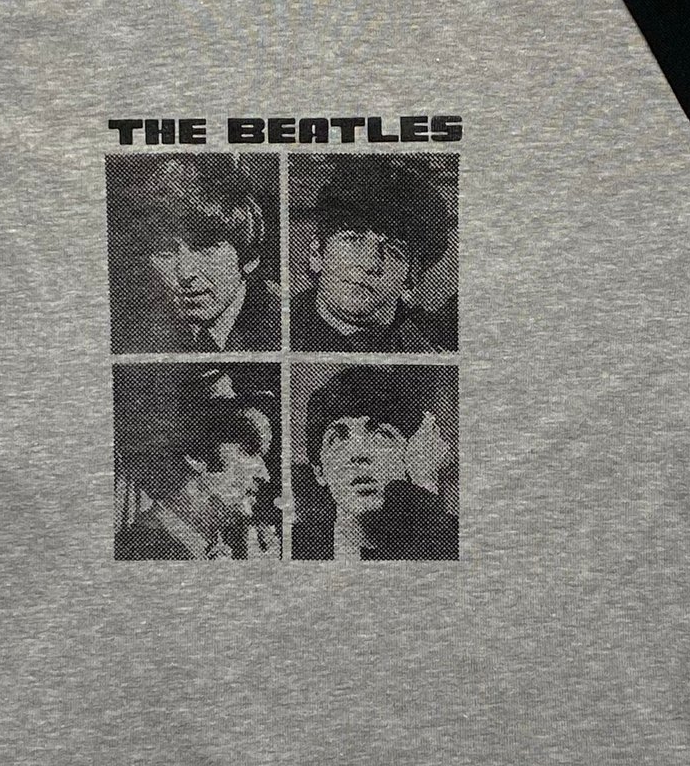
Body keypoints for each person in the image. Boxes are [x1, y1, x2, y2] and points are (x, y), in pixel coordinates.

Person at [109, 154, 282, 353]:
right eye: (165, 251)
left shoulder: (283, 323)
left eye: (205, 247)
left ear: (249, 257)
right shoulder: (131, 331)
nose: (185, 273)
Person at [291, 366, 458, 561]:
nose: (358, 455)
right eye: (337, 439)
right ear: (319, 470)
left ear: (410, 455)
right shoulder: (295, 545)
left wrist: (424, 484)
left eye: (381, 435)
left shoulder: (451, 538)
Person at [289, 156, 453, 353]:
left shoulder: (433, 350)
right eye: (352, 238)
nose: (370, 263)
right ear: (317, 254)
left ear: (411, 278)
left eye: (394, 251)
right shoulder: (276, 329)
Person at [115, 369, 281, 560]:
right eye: (248, 450)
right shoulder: (144, 550)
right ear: (196, 457)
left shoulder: (211, 550)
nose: (265, 475)